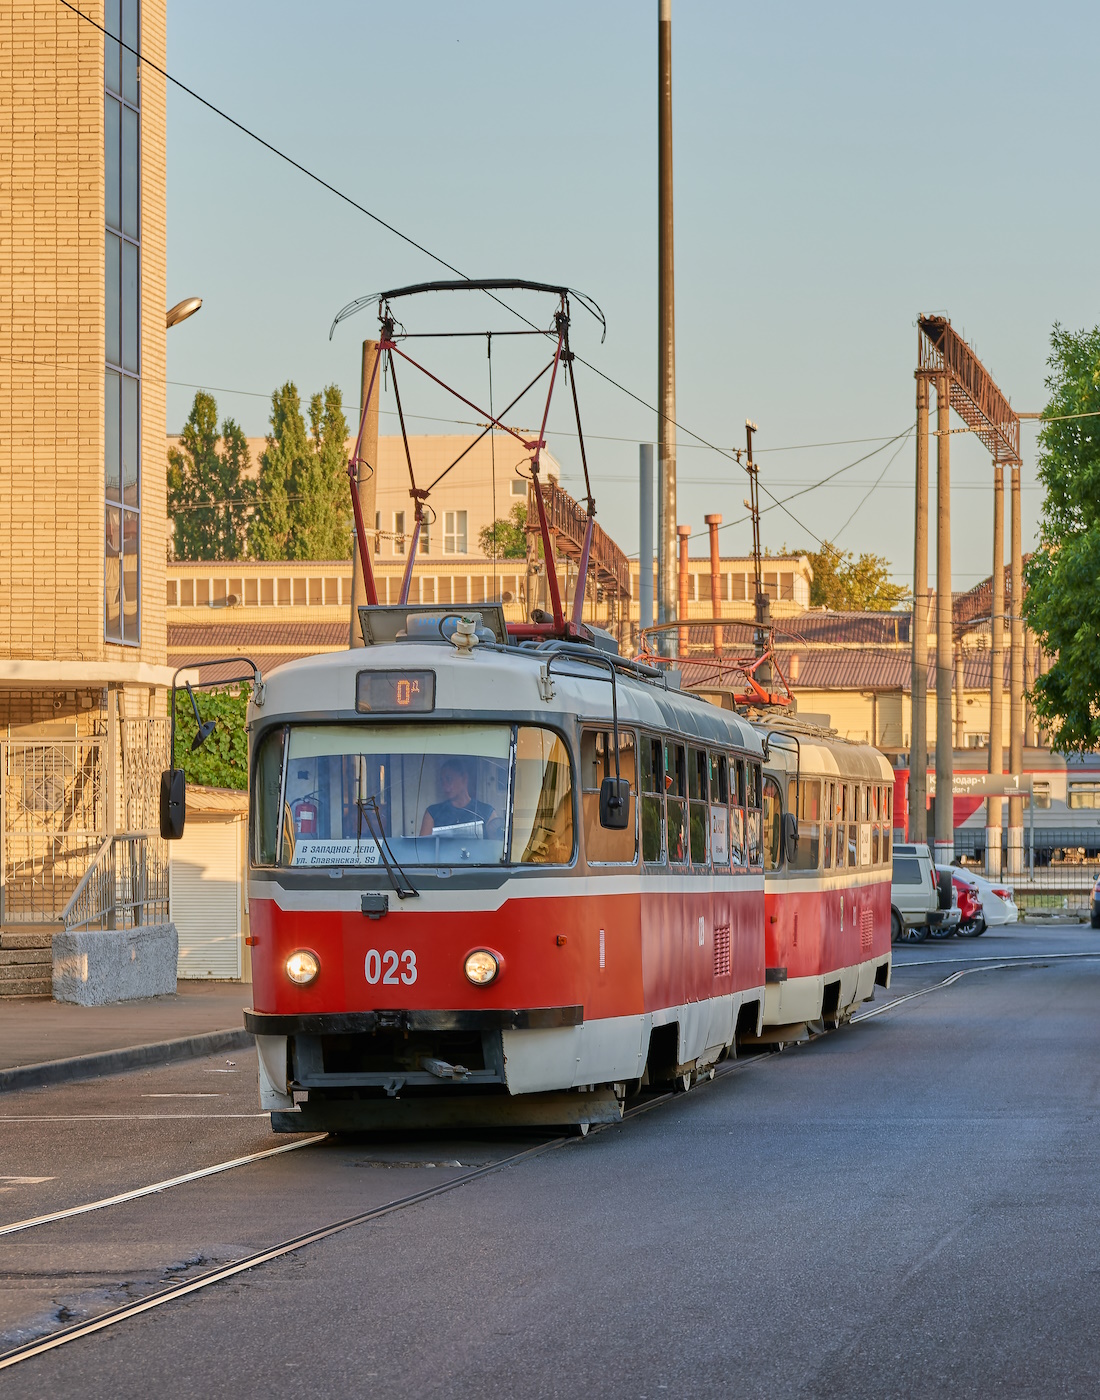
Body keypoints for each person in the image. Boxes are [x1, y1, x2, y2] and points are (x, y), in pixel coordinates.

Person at [420, 758, 496, 836]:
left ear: (464, 779)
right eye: (442, 781)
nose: (445, 786)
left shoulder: (487, 812)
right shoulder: (433, 813)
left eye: (449, 779)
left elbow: (496, 845)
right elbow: (423, 846)